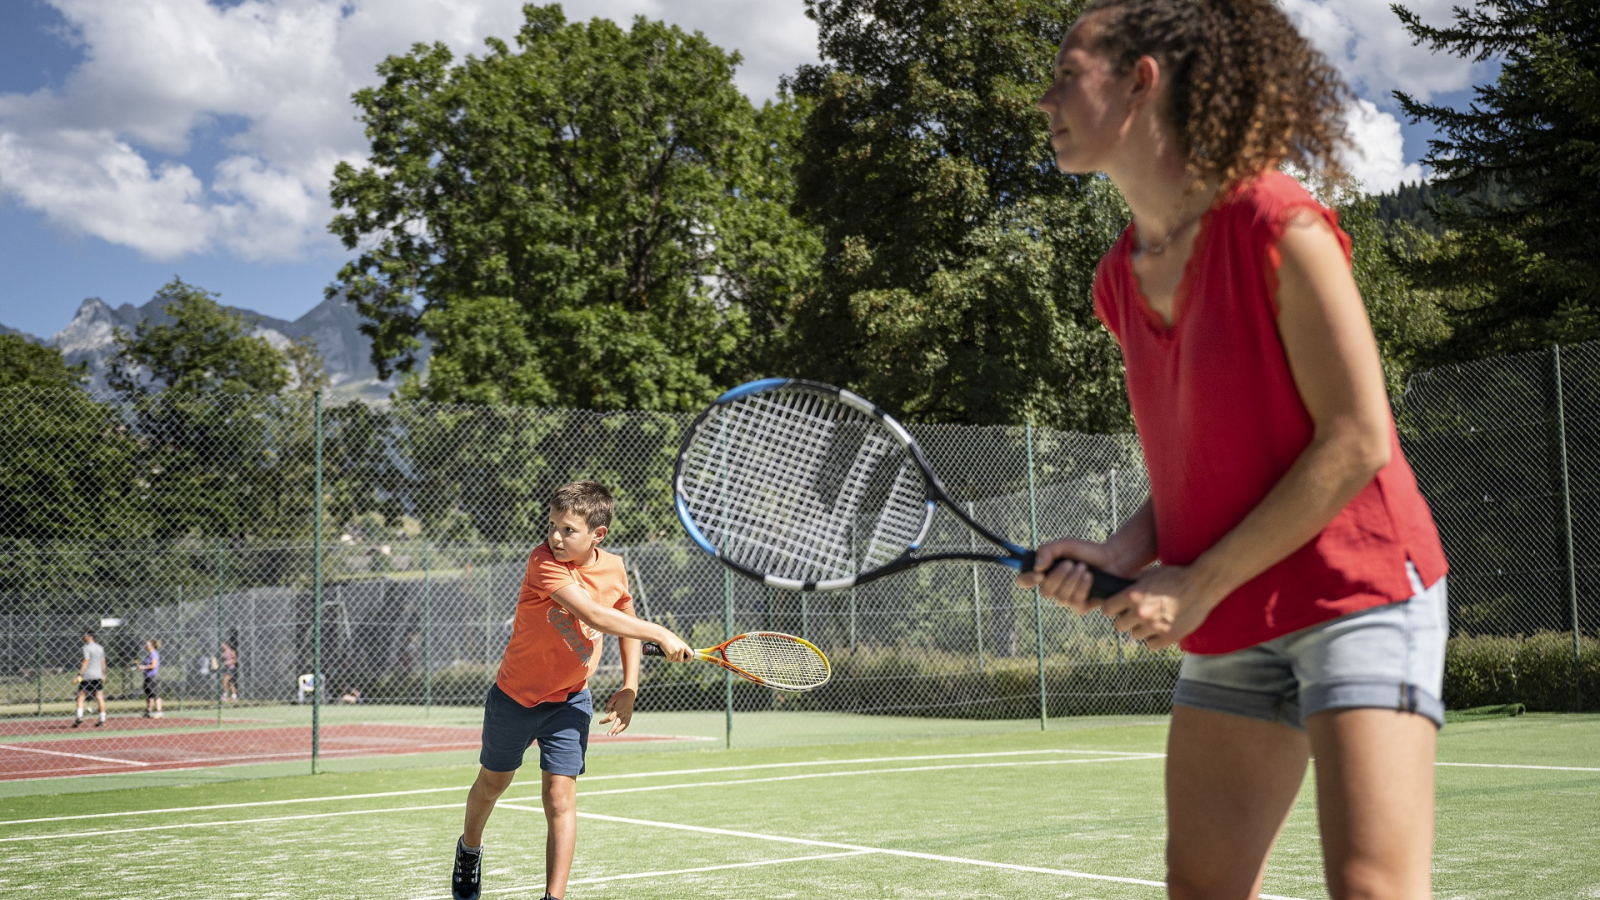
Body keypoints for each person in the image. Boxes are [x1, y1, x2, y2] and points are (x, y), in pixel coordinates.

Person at [1023, 3, 1450, 899]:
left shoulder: (1276, 222)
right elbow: (1201, 465)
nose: (1045, 98)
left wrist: (1194, 581)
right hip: (1233, 616)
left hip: (1359, 592)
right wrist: (1122, 553)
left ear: (1141, 80)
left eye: (1068, 73)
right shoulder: (1117, 277)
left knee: (1373, 887)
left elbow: (1358, 437)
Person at [450, 481, 691, 900]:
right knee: (493, 783)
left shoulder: (614, 567)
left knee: (560, 797)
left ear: (598, 534)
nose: (556, 537)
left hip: (570, 700)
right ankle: (469, 849)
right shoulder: (543, 561)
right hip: (515, 697)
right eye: (552, 526)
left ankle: (554, 897)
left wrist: (630, 687)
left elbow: (623, 622)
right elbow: (595, 616)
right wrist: (662, 632)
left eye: (568, 530)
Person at [74, 630, 107, 728]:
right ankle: (102, 718)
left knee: (81, 696)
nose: (83, 637)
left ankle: (79, 716)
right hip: (97, 676)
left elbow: (85, 661)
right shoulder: (100, 648)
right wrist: (103, 674)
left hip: (87, 676)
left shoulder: (86, 648)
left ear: (90, 636)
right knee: (99, 697)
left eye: (84, 635)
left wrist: (80, 674)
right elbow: (103, 662)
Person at [136, 639, 163, 718]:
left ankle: (159, 711)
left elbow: (154, 666)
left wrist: (143, 667)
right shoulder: (149, 654)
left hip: (153, 677)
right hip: (147, 677)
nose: (145, 646)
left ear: (151, 646)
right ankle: (148, 711)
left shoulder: (154, 654)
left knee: (155, 694)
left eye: (147, 644)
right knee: (148, 695)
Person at [220, 635, 238, 701]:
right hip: (226, 669)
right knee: (231, 683)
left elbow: (235, 660)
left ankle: (224, 695)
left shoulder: (231, 651)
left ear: (226, 644)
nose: (222, 646)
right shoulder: (222, 652)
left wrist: (229, 662)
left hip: (231, 669)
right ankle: (234, 696)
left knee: (224, 681)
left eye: (223, 644)